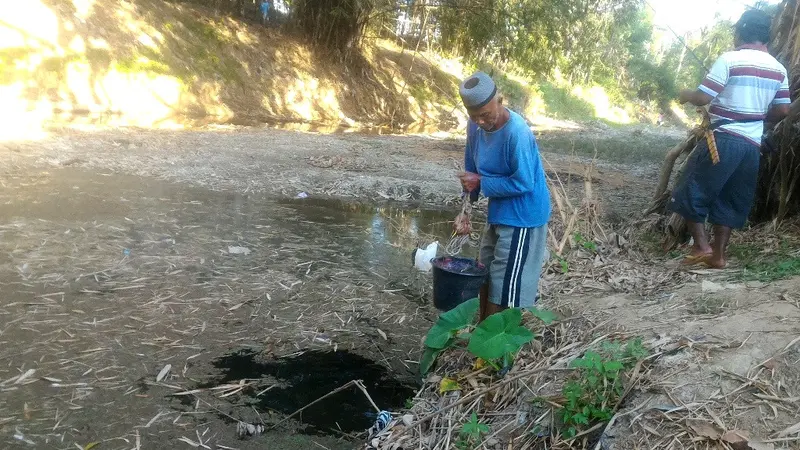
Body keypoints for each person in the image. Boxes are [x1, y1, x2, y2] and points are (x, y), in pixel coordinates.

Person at [673, 9, 790, 269]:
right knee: (732, 197)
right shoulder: (779, 69)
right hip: (752, 146)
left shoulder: (729, 60)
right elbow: (783, 110)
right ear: (766, 37)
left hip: (723, 139)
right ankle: (718, 256)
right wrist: (754, 117)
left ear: (739, 33)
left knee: (689, 189)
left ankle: (702, 246)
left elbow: (704, 97)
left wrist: (686, 94)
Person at [454, 71, 551, 322]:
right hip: (499, 209)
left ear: (500, 99)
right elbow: (471, 169)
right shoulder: (475, 126)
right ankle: (482, 330)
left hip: (523, 214)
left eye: (485, 114)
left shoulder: (516, 132)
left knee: (505, 283)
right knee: (484, 270)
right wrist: (466, 209)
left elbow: (524, 182)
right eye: (474, 117)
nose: (480, 122)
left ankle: (495, 350)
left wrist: (481, 182)